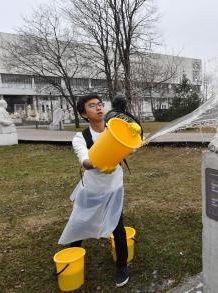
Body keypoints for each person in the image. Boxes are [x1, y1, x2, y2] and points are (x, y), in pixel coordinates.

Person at [58, 94, 130, 287]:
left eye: (100, 104)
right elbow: (85, 161)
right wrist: (99, 161)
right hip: (92, 188)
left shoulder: (114, 130)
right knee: (81, 221)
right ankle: (73, 254)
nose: (99, 108)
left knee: (118, 227)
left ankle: (122, 266)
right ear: (83, 114)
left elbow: (129, 147)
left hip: (113, 187)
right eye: (92, 106)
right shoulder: (80, 138)